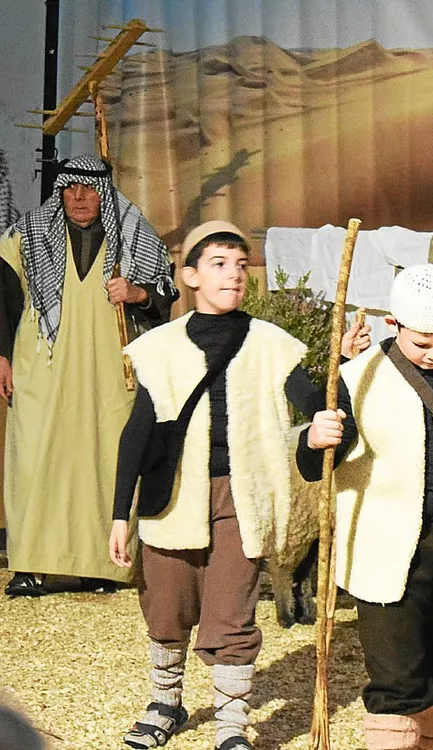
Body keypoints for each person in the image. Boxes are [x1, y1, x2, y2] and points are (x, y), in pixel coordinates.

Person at [109, 221, 328, 750]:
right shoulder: (159, 347)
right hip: (172, 497)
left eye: (241, 265)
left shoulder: (272, 344)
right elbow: (137, 433)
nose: (234, 274)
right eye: (219, 264)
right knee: (166, 606)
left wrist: (327, 412)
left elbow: (318, 404)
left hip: (243, 496)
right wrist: (120, 513)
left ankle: (232, 723)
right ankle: (166, 703)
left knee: (232, 612)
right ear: (190, 276)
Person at [302, 263, 433, 750]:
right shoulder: (356, 378)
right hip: (382, 547)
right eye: (422, 343)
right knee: (397, 681)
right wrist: (314, 441)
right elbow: (315, 469)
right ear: (393, 324)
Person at [2, 155, 176, 597]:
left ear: (105, 192)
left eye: (89, 189)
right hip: (42, 369)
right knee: (36, 459)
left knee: (106, 459)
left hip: (109, 372)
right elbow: (1, 296)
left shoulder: (133, 233)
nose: (78, 197)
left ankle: (103, 565)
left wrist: (136, 293)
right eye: (70, 188)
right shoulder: (29, 233)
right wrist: (1, 355)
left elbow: (165, 293)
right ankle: (31, 564)